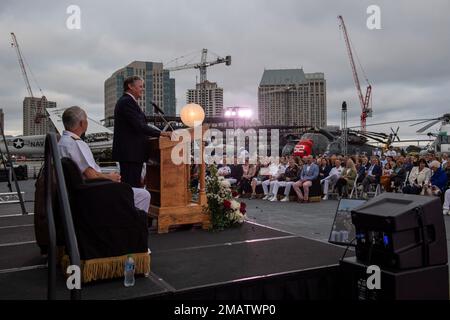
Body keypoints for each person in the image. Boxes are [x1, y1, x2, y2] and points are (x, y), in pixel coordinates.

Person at [58, 106, 151, 212]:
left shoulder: (61, 143)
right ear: (82, 123)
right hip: (92, 191)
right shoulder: (77, 144)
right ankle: (130, 227)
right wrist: (110, 177)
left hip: (77, 192)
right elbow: (91, 175)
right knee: (143, 195)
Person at [112, 76, 171, 188]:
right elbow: (139, 126)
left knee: (133, 186)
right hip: (130, 154)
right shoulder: (126, 102)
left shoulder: (128, 101)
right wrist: (161, 133)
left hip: (132, 154)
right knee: (131, 187)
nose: (142, 89)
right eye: (140, 86)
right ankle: (130, 206)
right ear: (130, 86)